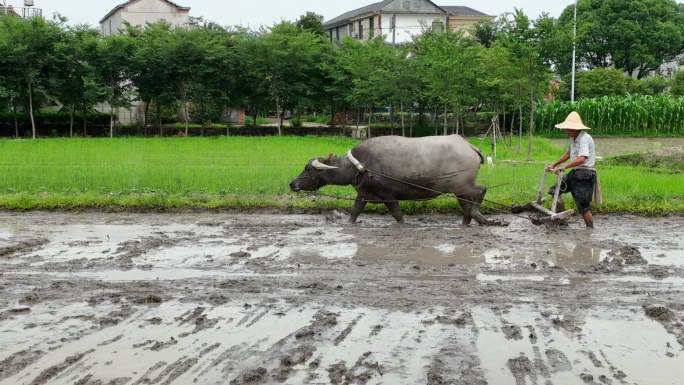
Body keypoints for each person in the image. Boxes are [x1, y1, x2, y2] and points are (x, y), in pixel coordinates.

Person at [547, 111, 600, 228]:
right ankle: (562, 219)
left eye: (567, 128)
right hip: (575, 172)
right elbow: (568, 153)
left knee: (583, 206)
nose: (565, 130)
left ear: (574, 128)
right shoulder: (573, 138)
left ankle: (590, 230)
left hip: (584, 174)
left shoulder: (584, 138)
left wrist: (564, 167)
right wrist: (554, 164)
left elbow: (582, 158)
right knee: (554, 190)